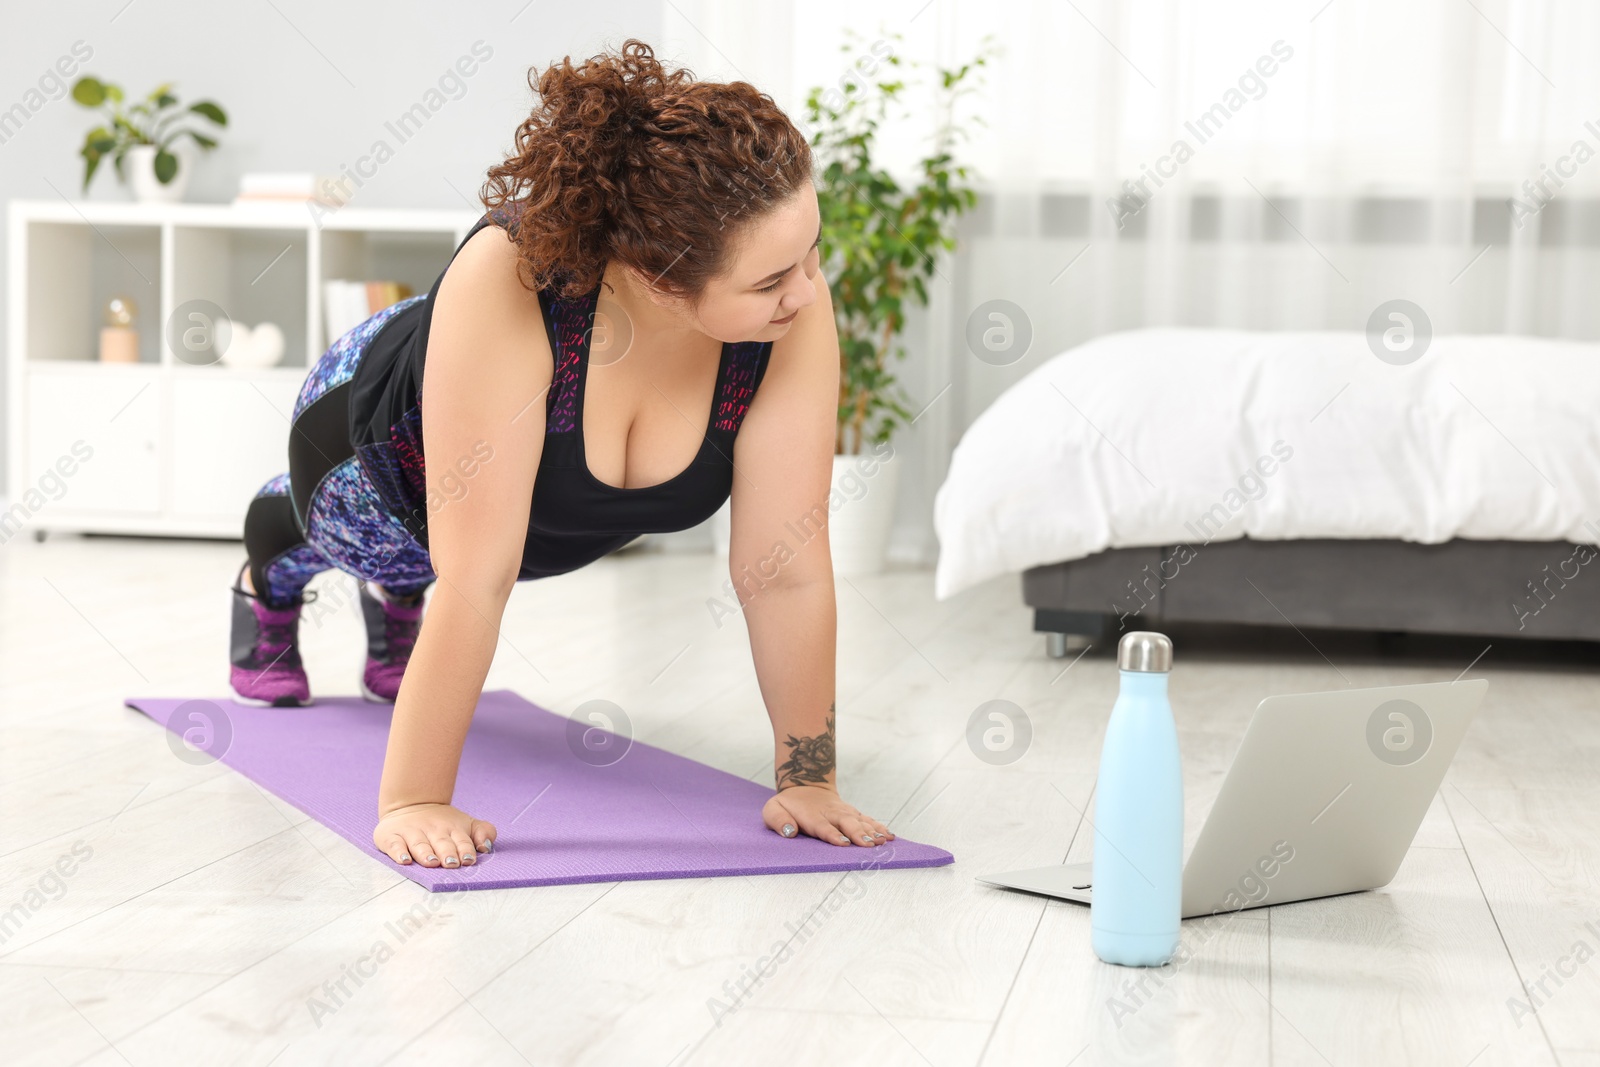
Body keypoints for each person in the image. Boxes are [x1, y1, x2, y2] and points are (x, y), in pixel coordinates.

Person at [227, 39, 896, 870]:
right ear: (656, 281)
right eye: (770, 281)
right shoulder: (512, 276)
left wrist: (810, 780)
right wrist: (415, 798)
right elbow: (477, 575)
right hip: (360, 466)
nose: (806, 290)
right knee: (366, 545)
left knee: (452, 555)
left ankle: (398, 607)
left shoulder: (785, 301)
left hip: (516, 529)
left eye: (813, 254)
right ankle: (268, 571)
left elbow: (786, 567)